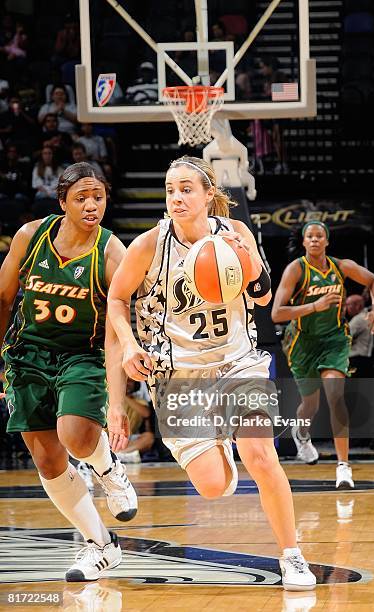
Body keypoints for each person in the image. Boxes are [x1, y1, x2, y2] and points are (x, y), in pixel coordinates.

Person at [107, 155, 316, 591]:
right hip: (179, 374)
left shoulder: (234, 232)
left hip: (238, 361)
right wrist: (128, 343)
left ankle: (292, 556)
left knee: (260, 454)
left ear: (208, 196)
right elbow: (115, 299)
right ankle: (218, 443)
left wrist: (248, 261)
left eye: (186, 189)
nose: (176, 197)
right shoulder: (149, 245)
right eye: (170, 190)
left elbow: (261, 299)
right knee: (213, 486)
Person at [0, 162, 137, 581]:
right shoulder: (31, 236)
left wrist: (117, 404)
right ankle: (100, 546)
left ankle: (108, 468)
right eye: (81, 197)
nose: (92, 204)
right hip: (28, 355)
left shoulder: (114, 252)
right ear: (62, 203)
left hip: (83, 355)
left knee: (75, 437)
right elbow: (3, 299)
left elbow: (117, 331)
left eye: (98, 196)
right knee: (46, 459)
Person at [272, 221, 374, 489]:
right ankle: (302, 433)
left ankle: (343, 467)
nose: (313, 240)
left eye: (318, 236)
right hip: (303, 343)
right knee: (310, 405)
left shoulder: (340, 266)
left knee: (335, 395)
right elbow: (277, 313)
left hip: (334, 340)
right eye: (309, 236)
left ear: (326, 241)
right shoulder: (295, 270)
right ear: (303, 242)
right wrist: (315, 305)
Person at [346, 293, 374, 378]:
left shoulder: (359, 319)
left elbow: (344, 336)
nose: (346, 308)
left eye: (348, 305)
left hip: (356, 359)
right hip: (363, 360)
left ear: (358, 306)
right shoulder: (366, 316)